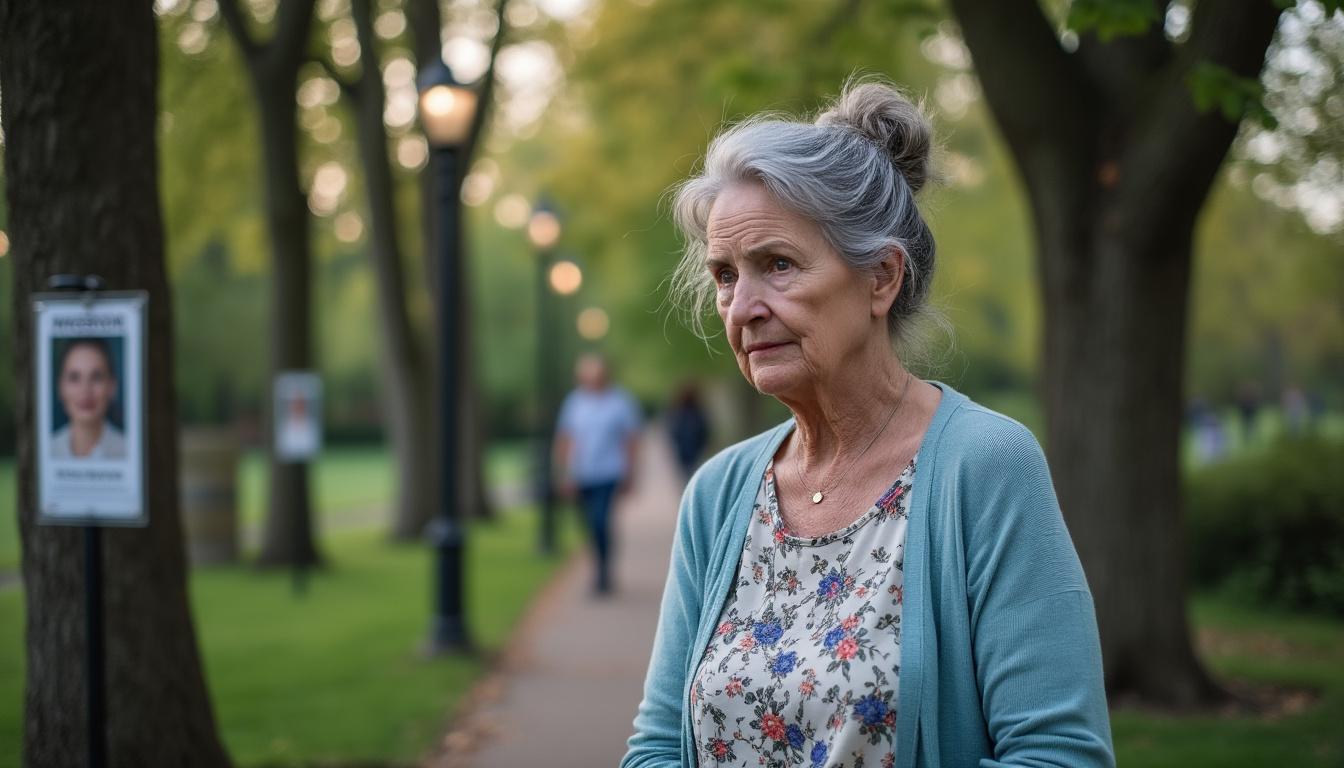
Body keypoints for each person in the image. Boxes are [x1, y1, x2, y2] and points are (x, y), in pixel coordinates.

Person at [623, 81, 1113, 767]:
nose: (742, 307)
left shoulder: (986, 467)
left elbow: (1059, 755)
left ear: (881, 278)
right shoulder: (720, 494)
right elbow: (654, 750)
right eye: (726, 275)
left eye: (778, 265)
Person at [555, 354, 642, 595]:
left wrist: (630, 473)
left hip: (609, 472)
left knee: (601, 520)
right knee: (588, 525)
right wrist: (564, 473)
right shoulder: (574, 403)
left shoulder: (620, 402)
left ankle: (604, 572)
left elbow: (631, 440)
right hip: (581, 474)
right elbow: (565, 439)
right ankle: (597, 564)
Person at [51, 337, 127, 460]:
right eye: (74, 377)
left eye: (96, 377)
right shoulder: (48, 451)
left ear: (112, 386)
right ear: (61, 387)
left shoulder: (128, 452)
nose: (85, 390)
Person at [666, 382, 710, 480]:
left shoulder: (677, 412)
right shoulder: (699, 412)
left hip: (683, 450)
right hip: (695, 450)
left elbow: (673, 430)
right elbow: (705, 431)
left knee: (686, 474)